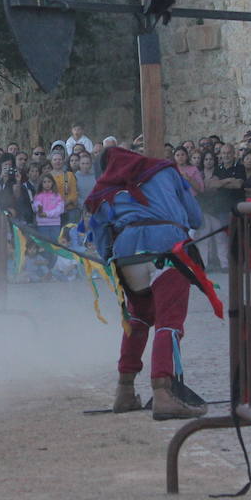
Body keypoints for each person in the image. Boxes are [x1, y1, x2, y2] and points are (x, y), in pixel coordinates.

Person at [85, 146, 206, 420]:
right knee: (169, 320)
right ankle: (163, 394)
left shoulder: (106, 187)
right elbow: (195, 218)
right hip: (168, 247)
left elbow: (102, 239)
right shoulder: (164, 170)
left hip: (127, 254)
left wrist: (111, 259)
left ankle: (124, 391)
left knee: (138, 317)